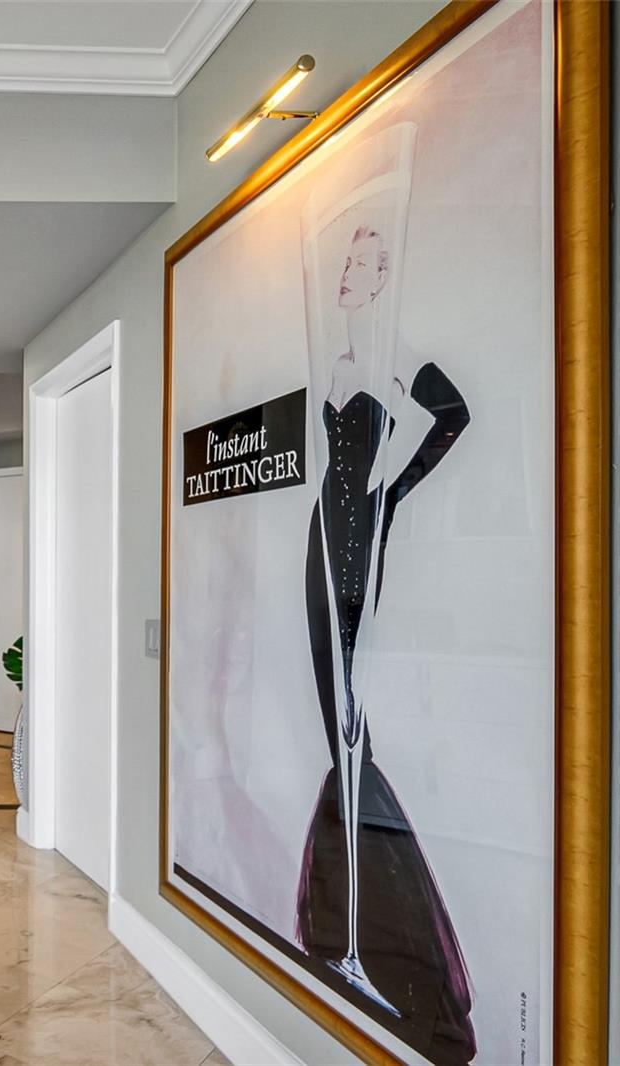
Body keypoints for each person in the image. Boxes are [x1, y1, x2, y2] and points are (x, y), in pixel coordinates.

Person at [295, 225, 476, 1063]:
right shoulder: (338, 355)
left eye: (364, 260)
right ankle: (354, 937)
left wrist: (391, 493)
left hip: (355, 546)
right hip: (320, 541)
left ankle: (380, 943)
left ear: (382, 278)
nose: (348, 270)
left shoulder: (390, 352)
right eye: (348, 257)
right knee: (339, 733)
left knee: (353, 737)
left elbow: (453, 415)